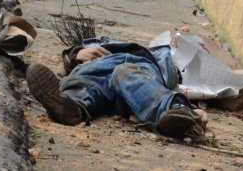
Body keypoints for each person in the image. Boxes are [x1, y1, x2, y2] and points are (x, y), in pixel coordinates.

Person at [25, 37, 207, 138]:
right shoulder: (93, 46)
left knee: (126, 74)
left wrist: (190, 107)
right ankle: (71, 107)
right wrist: (77, 52)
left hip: (135, 71)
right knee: (81, 84)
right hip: (94, 70)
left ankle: (177, 113)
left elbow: (169, 80)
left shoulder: (149, 54)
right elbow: (68, 60)